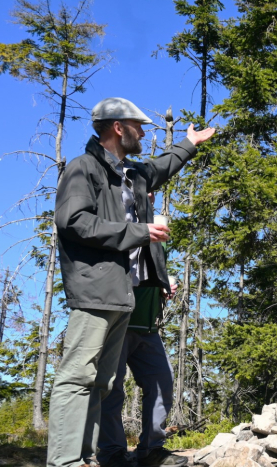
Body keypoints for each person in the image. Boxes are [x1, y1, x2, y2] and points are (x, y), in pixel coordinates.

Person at [49, 97, 214, 467]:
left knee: (103, 384)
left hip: (126, 297)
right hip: (96, 291)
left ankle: (87, 458)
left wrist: (189, 144)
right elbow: (73, 221)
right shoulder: (84, 168)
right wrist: (137, 231)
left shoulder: (132, 175)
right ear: (118, 128)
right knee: (78, 378)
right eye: (137, 126)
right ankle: (65, 461)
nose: (143, 132)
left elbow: (160, 167)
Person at [97, 192, 185, 467]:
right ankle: (112, 454)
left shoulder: (157, 225)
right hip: (117, 323)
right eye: (140, 190)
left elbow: (153, 267)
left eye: (150, 191)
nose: (148, 194)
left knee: (162, 384)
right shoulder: (114, 224)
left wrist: (167, 280)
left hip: (147, 327)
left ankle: (151, 450)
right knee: (111, 390)